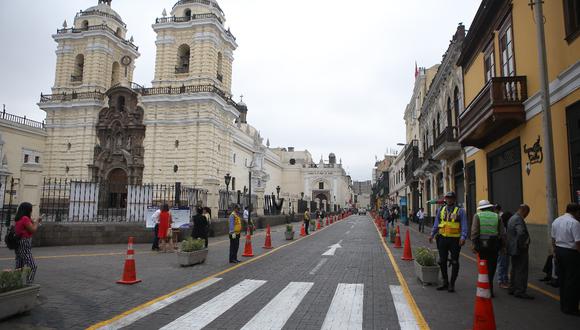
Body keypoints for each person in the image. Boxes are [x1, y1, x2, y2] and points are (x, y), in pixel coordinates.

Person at [429, 191, 468, 293]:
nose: (449, 199)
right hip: (442, 238)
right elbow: (437, 223)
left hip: (455, 240)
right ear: (445, 199)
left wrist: (463, 237)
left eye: (451, 198)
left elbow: (464, 224)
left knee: (455, 261)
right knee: (442, 261)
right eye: (447, 198)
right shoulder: (440, 210)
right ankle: (445, 282)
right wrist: (432, 234)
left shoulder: (460, 211)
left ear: (454, 199)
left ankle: (452, 283)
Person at [471, 200, 506, 297]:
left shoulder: (477, 216)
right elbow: (502, 234)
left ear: (481, 208)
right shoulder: (497, 216)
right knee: (492, 266)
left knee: (483, 267)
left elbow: (474, 232)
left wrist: (473, 245)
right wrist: (503, 246)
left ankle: (485, 287)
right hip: (494, 246)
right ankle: (490, 286)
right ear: (490, 207)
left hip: (481, 246)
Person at [551, 203, 580, 315]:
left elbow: (553, 239)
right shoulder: (575, 223)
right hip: (571, 253)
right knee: (573, 281)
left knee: (562, 280)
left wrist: (555, 252)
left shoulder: (556, 221)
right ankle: (571, 308)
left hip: (559, 251)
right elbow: (578, 243)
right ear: (576, 211)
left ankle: (564, 305)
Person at [507, 204, 533, 299]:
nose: (526, 216)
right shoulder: (518, 219)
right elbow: (521, 233)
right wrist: (524, 244)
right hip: (519, 249)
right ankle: (520, 290)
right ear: (524, 211)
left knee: (514, 268)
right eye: (527, 213)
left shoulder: (512, 218)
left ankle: (512, 287)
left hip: (513, 248)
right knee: (522, 269)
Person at [14, 202, 41, 284]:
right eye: (30, 210)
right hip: (24, 243)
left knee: (19, 265)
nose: (31, 211)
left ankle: (16, 283)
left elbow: (28, 225)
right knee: (32, 266)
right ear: (27, 210)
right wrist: (37, 222)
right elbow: (32, 230)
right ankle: (29, 284)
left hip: (18, 243)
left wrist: (34, 221)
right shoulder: (25, 218)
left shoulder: (18, 218)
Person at [497, 211, 513, 289]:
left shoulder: (506, 226)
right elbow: (502, 238)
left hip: (505, 248)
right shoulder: (502, 227)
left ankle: (505, 280)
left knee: (506, 265)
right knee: (502, 265)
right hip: (502, 248)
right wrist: (503, 247)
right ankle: (501, 281)